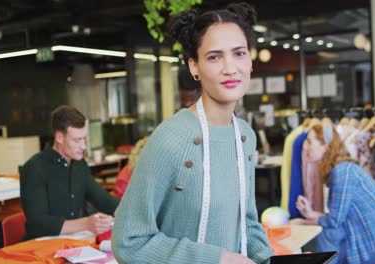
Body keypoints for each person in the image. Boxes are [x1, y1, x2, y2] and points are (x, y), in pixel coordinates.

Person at [112, 3, 273, 264]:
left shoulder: (244, 136)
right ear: (194, 67)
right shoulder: (171, 138)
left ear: (250, 61)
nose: (230, 68)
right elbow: (128, 241)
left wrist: (269, 260)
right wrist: (218, 259)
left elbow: (246, 223)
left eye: (239, 53)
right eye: (214, 57)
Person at [289, 122, 375, 264]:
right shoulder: (342, 169)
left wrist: (303, 222)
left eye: (309, 142)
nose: (304, 146)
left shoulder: (342, 172)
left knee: (328, 236)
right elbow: (339, 217)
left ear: (325, 147)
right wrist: (311, 213)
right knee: (331, 235)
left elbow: (334, 221)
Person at [20, 105, 119, 240]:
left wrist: (130, 212)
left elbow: (104, 200)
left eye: (84, 139)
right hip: (39, 247)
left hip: (70, 243)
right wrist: (86, 223)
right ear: (59, 137)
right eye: (77, 140)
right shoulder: (34, 168)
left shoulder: (79, 165)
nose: (83, 146)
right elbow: (38, 224)